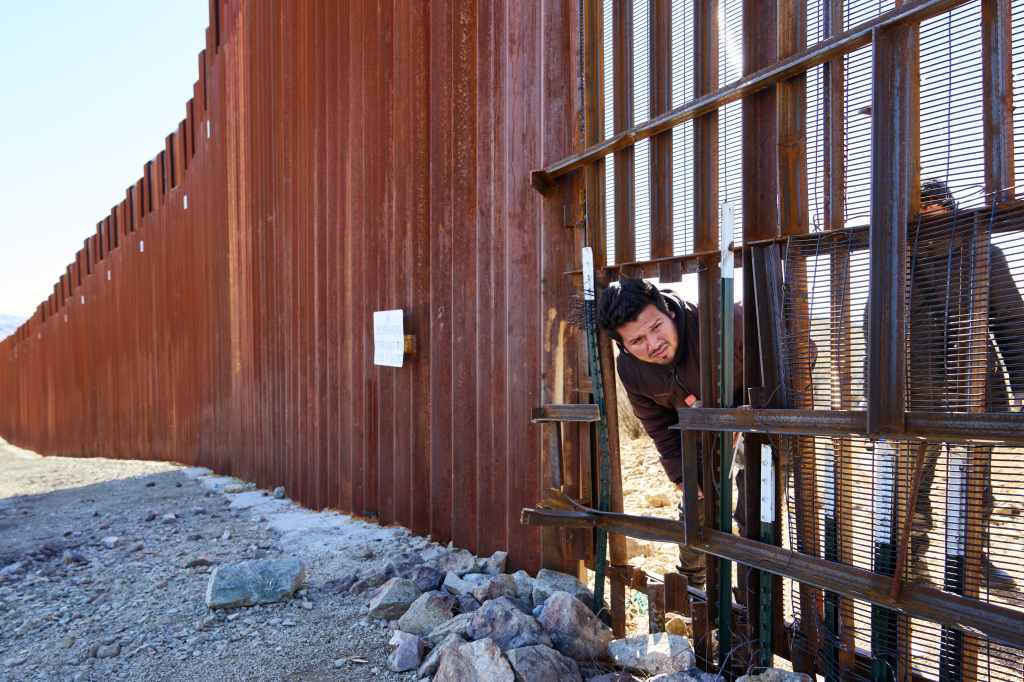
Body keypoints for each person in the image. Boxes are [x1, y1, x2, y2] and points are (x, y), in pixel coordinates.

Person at [876, 179, 1022, 590]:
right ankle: (915, 565)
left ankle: (974, 560)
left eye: (937, 212)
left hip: (974, 393)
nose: (930, 223)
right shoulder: (896, 263)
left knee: (975, 484)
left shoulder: (983, 256)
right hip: (915, 395)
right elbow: (875, 328)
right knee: (915, 487)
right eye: (921, 215)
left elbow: (1011, 322)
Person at [597, 277, 743, 588]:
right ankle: (694, 589)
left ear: (670, 312)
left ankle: (751, 593)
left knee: (757, 506)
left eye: (656, 327)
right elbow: (658, 426)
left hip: (755, 421)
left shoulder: (724, 324)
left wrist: (745, 416)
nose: (652, 345)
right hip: (698, 434)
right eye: (636, 341)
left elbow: (789, 360)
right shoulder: (632, 370)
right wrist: (681, 475)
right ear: (623, 346)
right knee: (696, 504)